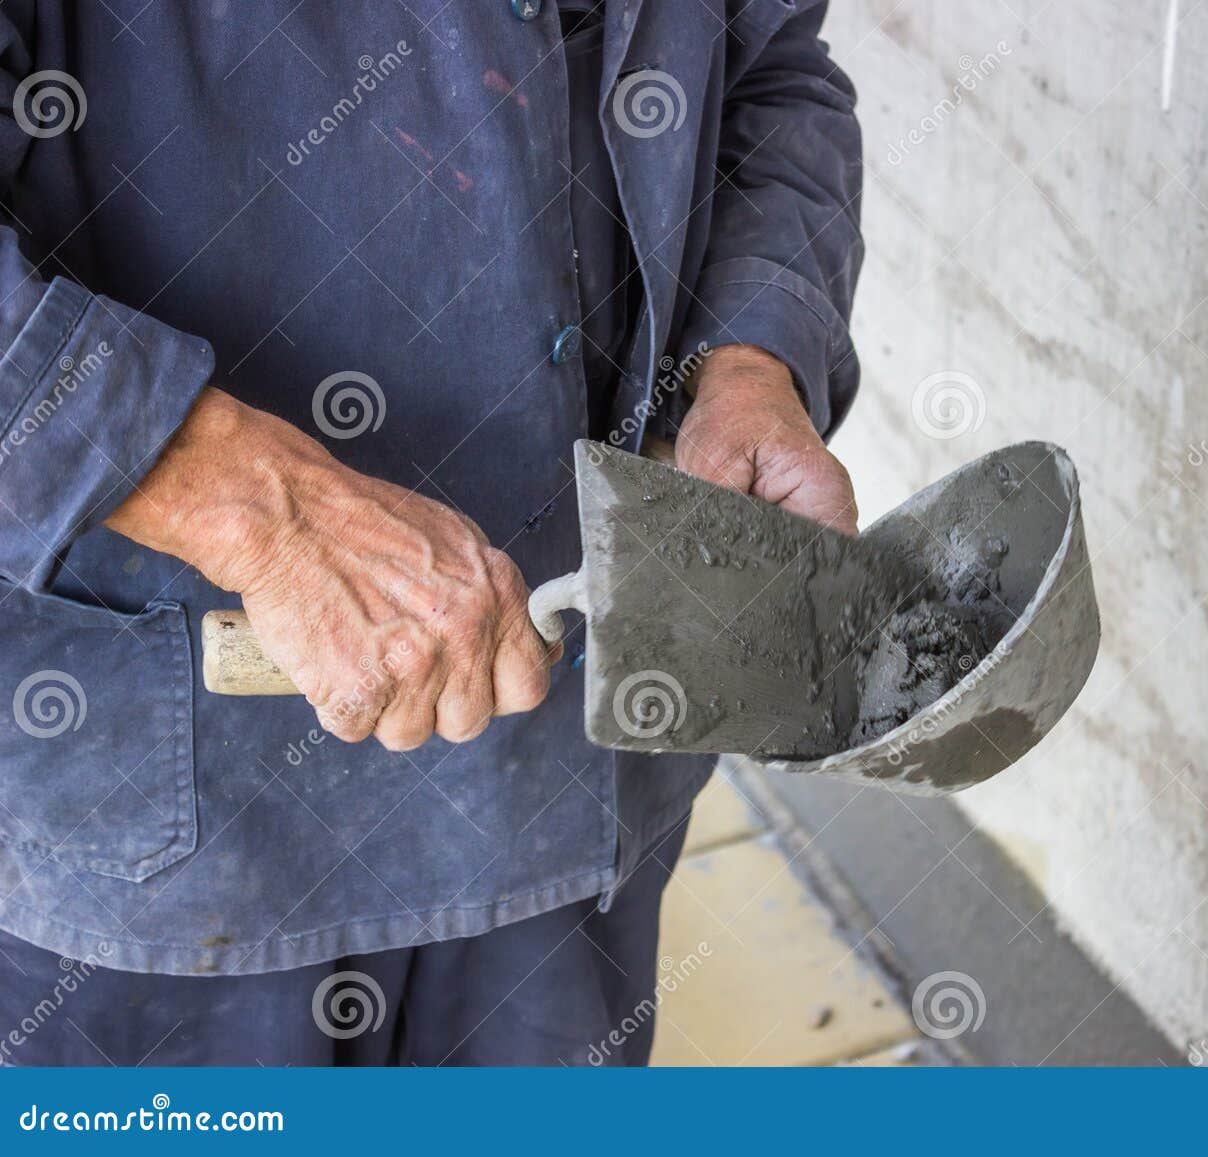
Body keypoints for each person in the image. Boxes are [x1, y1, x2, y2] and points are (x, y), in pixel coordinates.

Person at [0, 0, 861, 1065]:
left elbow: (773, 77)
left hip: (573, 783)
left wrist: (751, 356)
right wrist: (262, 514)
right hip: (171, 841)